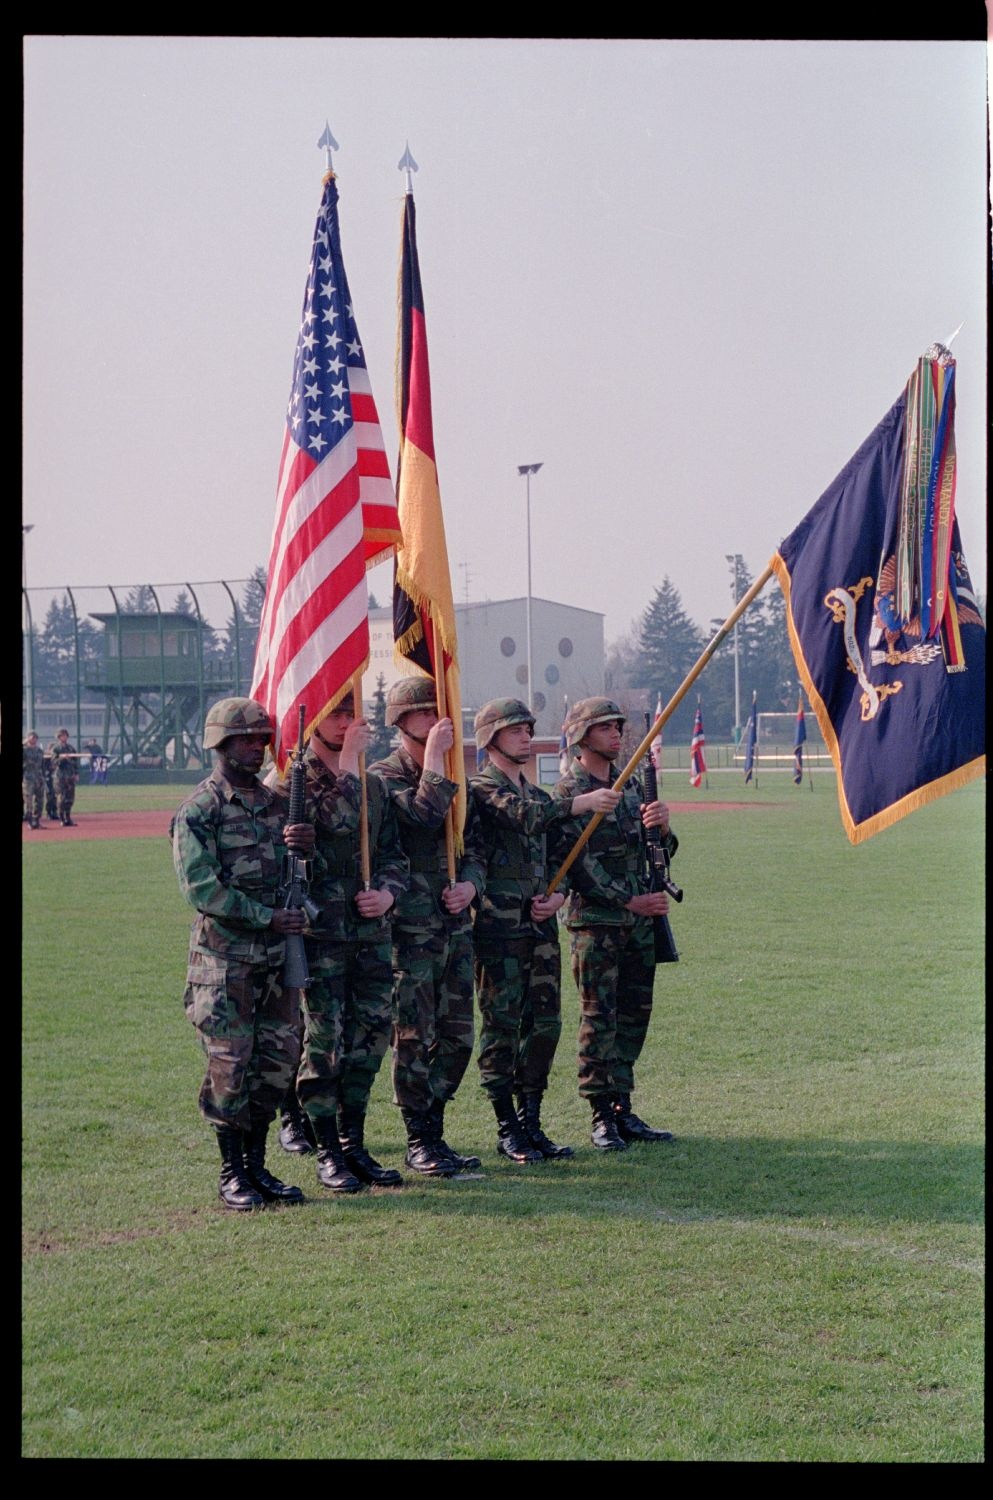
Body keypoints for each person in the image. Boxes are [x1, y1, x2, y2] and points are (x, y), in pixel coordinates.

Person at [172, 697, 316, 1211]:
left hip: (277, 961)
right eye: (245, 740)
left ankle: (258, 1166)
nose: (256, 747)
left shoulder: (280, 808)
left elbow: (298, 882)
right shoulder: (200, 811)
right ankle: (232, 1172)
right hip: (225, 964)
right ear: (220, 745)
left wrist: (306, 849)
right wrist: (266, 918)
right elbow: (203, 891)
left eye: (261, 739)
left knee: (276, 1065)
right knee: (230, 1069)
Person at [470, 699, 622, 1162]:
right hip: (499, 929)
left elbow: (561, 854)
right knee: (501, 1026)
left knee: (545, 1026)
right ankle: (506, 1126)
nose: (524, 736)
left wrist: (557, 896)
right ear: (491, 738)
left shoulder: (539, 794)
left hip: (538, 931)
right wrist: (579, 802)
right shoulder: (483, 789)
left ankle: (531, 1121)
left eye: (527, 729)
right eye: (514, 730)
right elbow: (523, 817)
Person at [275, 701, 409, 1194]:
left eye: (353, 714)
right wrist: (350, 762)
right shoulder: (291, 784)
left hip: (370, 934)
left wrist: (389, 893)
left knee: (370, 1038)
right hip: (319, 936)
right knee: (324, 1042)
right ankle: (328, 1148)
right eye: (336, 714)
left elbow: (395, 854)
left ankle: (354, 1143)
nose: (348, 723)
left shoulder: (374, 785)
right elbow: (338, 820)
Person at [369, 677, 487, 1177]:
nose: (440, 720)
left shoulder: (454, 773)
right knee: (414, 1036)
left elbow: (474, 847)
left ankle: (434, 1128)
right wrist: (437, 760)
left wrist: (472, 888)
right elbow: (422, 817)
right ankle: (419, 1138)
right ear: (401, 722)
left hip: (454, 926)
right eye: (425, 714)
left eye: (441, 711)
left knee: (458, 1037)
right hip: (409, 931)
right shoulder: (381, 777)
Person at [553, 698, 678, 1152]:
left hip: (638, 925)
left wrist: (662, 829)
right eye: (605, 728)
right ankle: (601, 1114)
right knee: (598, 1019)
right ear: (583, 737)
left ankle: (623, 1107)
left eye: (618, 727)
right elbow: (578, 864)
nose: (616, 734)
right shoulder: (572, 794)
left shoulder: (628, 791)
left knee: (633, 1016)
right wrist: (630, 901)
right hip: (598, 925)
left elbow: (654, 853)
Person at [48, 728, 79, 826]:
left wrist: (76, 773)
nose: (64, 737)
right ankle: (62, 818)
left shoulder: (71, 748)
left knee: (70, 798)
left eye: (65, 735)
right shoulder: (56, 748)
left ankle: (68, 817)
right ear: (58, 737)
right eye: (62, 735)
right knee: (61, 798)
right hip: (60, 777)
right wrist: (61, 758)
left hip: (70, 776)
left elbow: (75, 762)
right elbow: (53, 762)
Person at [22, 732, 46, 828]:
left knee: (40, 800)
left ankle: (37, 820)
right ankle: (30, 821)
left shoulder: (39, 751)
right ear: (27, 738)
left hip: (39, 777)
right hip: (28, 777)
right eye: (31, 737)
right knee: (28, 800)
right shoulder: (24, 750)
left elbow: (42, 764)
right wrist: (24, 743)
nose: (33, 739)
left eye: (35, 737)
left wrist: (44, 776)